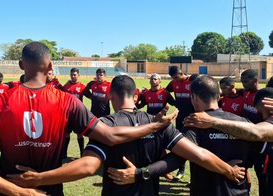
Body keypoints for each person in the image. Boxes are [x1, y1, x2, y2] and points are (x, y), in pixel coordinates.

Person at [0, 42, 178, 196]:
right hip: (51, 191)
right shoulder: (67, 101)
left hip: (10, 191)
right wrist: (154, 124)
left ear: (20, 66)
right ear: (50, 66)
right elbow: (111, 137)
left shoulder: (1, 100)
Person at [7, 75, 245, 196]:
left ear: (111, 96)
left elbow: (88, 167)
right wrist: (229, 170)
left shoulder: (106, 125)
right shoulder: (159, 124)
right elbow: (198, 155)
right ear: (137, 94)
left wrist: (40, 178)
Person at [115, 76, 261, 196]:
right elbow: (252, 159)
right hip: (239, 191)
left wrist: (141, 173)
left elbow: (177, 159)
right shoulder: (244, 124)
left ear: (193, 98)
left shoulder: (194, 124)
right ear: (218, 96)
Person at [184, 88, 273, 196]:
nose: (261, 115)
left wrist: (212, 122)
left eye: (261, 111)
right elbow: (249, 159)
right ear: (218, 97)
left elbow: (256, 132)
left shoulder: (195, 123)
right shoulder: (243, 122)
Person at [165, 66, 193, 179]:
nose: (175, 80)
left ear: (182, 73)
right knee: (180, 143)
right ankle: (181, 170)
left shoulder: (192, 81)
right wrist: (174, 103)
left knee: (193, 145)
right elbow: (165, 93)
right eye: (173, 78)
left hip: (192, 117)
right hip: (180, 117)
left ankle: (194, 175)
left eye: (177, 77)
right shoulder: (173, 83)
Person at [62, 68, 86, 158]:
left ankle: (82, 154)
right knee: (66, 134)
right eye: (72, 75)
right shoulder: (66, 86)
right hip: (68, 114)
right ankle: (64, 154)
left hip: (78, 114)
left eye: (75, 75)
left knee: (79, 134)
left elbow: (90, 96)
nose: (73, 76)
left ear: (78, 75)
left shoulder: (82, 86)